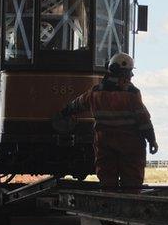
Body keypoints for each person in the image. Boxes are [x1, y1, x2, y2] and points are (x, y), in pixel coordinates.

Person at [58, 53, 158, 193]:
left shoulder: (95, 94)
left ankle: (108, 206)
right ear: (123, 73)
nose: (131, 76)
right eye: (130, 72)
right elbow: (144, 121)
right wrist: (152, 140)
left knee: (107, 182)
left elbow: (77, 105)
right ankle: (129, 209)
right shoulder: (132, 95)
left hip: (105, 144)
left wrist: (64, 113)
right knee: (131, 184)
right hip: (131, 146)